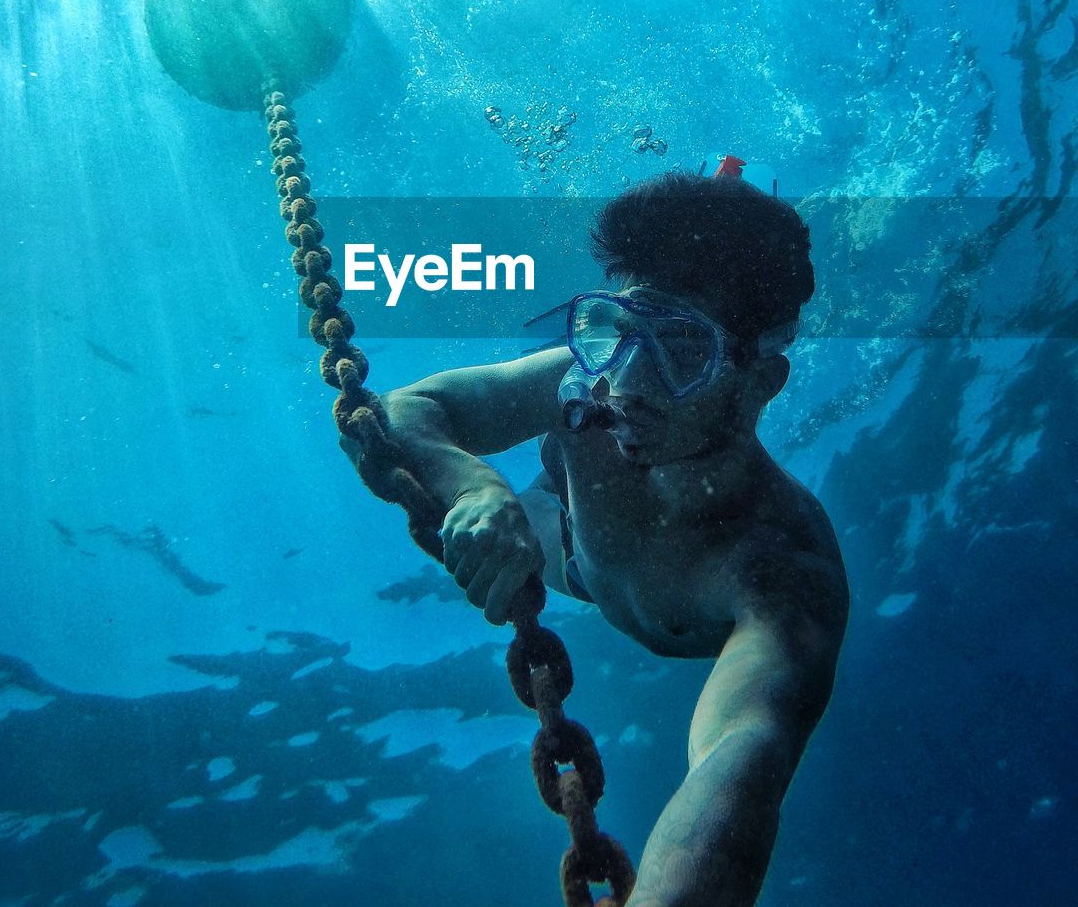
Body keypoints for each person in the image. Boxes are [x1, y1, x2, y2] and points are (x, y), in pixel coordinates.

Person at [364, 168, 849, 907]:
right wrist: (475, 488)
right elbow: (404, 410)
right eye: (609, 331)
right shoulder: (581, 387)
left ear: (761, 383)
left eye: (682, 351)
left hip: (596, 558)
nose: (625, 381)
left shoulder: (783, 571)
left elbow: (736, 779)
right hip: (563, 535)